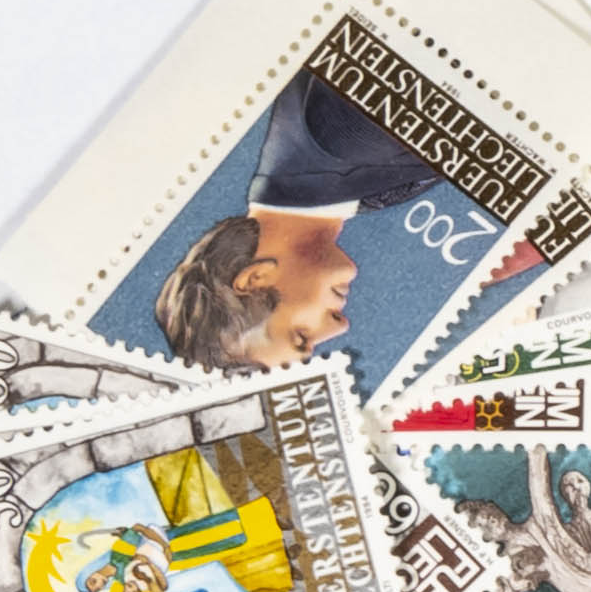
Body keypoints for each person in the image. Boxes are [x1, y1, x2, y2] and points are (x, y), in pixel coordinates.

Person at [153, 67, 442, 377]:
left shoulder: (344, 135)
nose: (340, 327)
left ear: (256, 278)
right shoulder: (334, 178)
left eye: (301, 335)